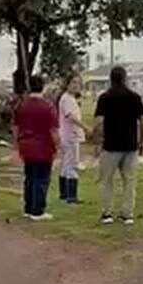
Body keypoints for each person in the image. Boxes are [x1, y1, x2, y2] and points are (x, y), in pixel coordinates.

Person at [94, 65, 143, 225]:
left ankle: (107, 213)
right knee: (129, 181)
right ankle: (127, 214)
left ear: (110, 79)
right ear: (125, 79)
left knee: (106, 181)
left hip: (110, 146)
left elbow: (99, 122)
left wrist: (98, 141)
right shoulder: (134, 97)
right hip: (130, 145)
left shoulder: (105, 97)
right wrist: (142, 141)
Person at [12, 75, 58, 220]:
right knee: (41, 178)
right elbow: (53, 130)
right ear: (43, 86)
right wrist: (58, 146)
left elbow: (15, 127)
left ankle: (28, 207)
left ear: (29, 86)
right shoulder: (48, 106)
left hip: (26, 145)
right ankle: (38, 210)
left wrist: (17, 144)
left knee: (30, 176)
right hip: (43, 146)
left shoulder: (21, 105)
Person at [57, 72, 87, 204]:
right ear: (67, 84)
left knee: (65, 164)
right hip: (70, 136)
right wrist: (85, 127)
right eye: (73, 82)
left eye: (78, 83)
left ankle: (64, 194)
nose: (76, 85)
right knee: (72, 164)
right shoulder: (67, 99)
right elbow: (71, 117)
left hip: (67, 135)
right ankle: (71, 196)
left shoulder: (69, 98)